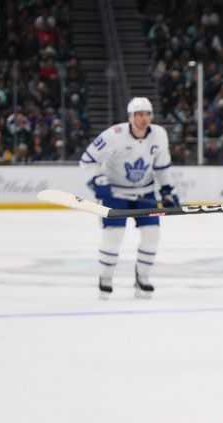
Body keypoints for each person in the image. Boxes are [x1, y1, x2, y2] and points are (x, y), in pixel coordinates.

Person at [79, 97, 179, 299]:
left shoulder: (159, 134)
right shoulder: (114, 135)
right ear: (130, 117)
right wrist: (98, 181)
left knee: (152, 234)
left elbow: (161, 166)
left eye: (147, 114)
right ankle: (105, 278)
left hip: (145, 193)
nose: (144, 119)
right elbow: (87, 160)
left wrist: (167, 189)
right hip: (116, 194)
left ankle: (143, 278)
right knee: (114, 236)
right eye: (139, 114)